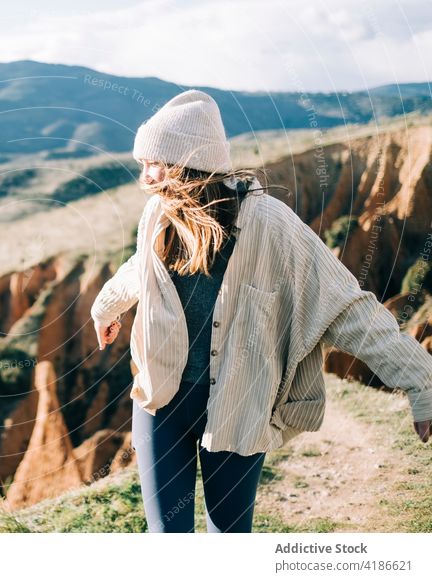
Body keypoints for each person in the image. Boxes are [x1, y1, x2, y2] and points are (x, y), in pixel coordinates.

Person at [90, 90, 432, 533]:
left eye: (152, 163)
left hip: (238, 406)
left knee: (229, 539)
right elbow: (142, 267)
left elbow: (347, 306)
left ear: (184, 165)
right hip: (160, 402)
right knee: (166, 538)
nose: (144, 177)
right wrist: (106, 306)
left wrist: (420, 380)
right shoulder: (158, 214)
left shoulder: (271, 224)